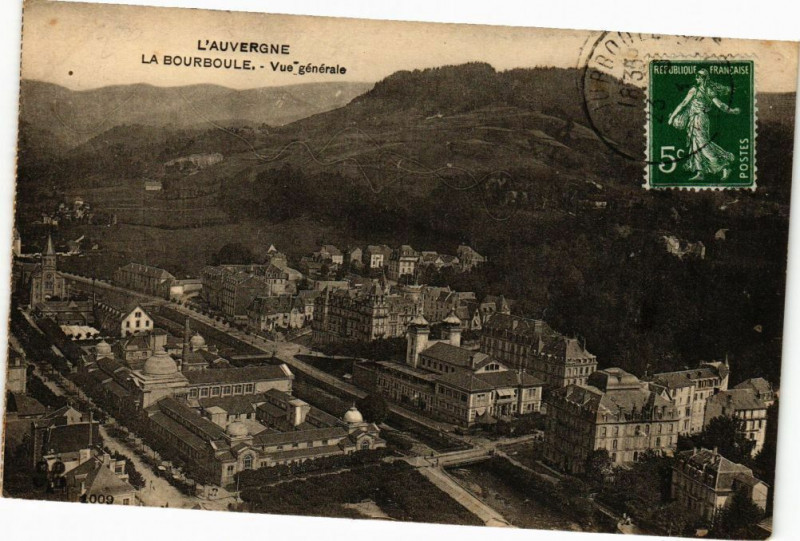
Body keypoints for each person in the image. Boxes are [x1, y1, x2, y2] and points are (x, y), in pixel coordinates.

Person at [667, 69, 740, 181]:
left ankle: (724, 166)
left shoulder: (695, 90)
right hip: (699, 119)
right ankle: (700, 172)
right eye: (696, 76)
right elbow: (720, 105)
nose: (696, 78)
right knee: (695, 145)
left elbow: (683, 104)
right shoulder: (709, 90)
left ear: (702, 78)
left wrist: (672, 117)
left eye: (698, 77)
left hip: (698, 119)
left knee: (703, 145)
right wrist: (732, 111)